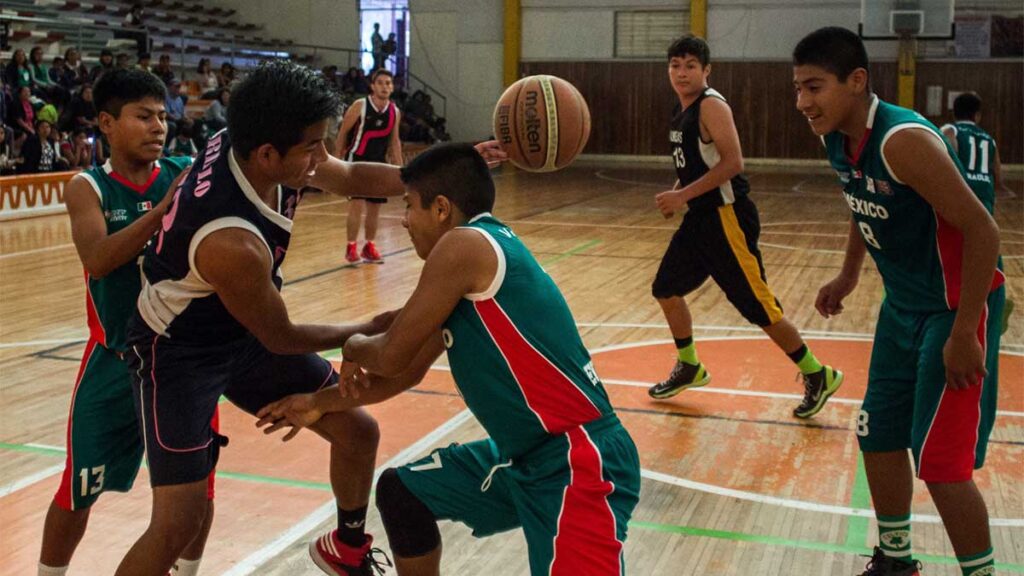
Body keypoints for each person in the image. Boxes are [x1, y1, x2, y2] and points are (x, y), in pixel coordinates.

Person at [114, 59, 506, 576]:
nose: (320, 157)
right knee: (178, 523)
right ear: (267, 154)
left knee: (357, 432)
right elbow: (281, 336)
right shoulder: (231, 240)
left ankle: (346, 548)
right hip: (179, 354)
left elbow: (347, 174)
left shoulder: (264, 142)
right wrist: (368, 328)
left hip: (242, 329)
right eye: (311, 148)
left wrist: (436, 173)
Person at [257, 143, 640, 576]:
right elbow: (405, 372)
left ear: (441, 208)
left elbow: (388, 353)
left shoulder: (465, 245)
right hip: (525, 457)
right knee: (404, 493)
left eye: (409, 206)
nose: (403, 220)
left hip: (577, 462)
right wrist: (317, 403)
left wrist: (352, 347)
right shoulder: (473, 261)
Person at [793, 27, 1004, 576]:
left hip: (955, 309)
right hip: (902, 307)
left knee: (940, 464)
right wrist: (847, 274)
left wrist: (964, 333)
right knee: (878, 433)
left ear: (857, 81)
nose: (803, 102)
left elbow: (983, 232)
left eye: (814, 87)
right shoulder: (835, 134)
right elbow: (860, 199)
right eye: (797, 89)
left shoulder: (901, 140)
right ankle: (894, 560)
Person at [36, 69, 216, 576]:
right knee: (78, 489)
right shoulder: (86, 186)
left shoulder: (186, 170)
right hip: (112, 363)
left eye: (163, 115)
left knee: (197, 490)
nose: (159, 125)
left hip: (180, 365)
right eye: (143, 116)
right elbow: (98, 258)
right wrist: (165, 209)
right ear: (108, 123)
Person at [648, 35, 842, 418]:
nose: (682, 72)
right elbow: (698, 163)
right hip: (700, 219)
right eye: (675, 65)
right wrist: (678, 193)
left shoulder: (711, 106)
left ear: (706, 70)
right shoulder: (680, 108)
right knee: (665, 288)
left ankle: (817, 373)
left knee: (758, 305)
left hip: (727, 218)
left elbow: (733, 163)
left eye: (690, 65)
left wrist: (682, 196)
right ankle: (689, 365)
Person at [336, 68, 401, 264]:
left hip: (379, 164)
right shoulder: (360, 105)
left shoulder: (394, 111)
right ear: (372, 86)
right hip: (357, 161)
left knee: (375, 208)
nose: (385, 86)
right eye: (380, 83)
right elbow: (342, 134)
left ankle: (369, 246)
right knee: (357, 203)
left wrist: (402, 170)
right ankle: (351, 246)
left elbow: (394, 142)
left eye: (388, 83)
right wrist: (336, 162)